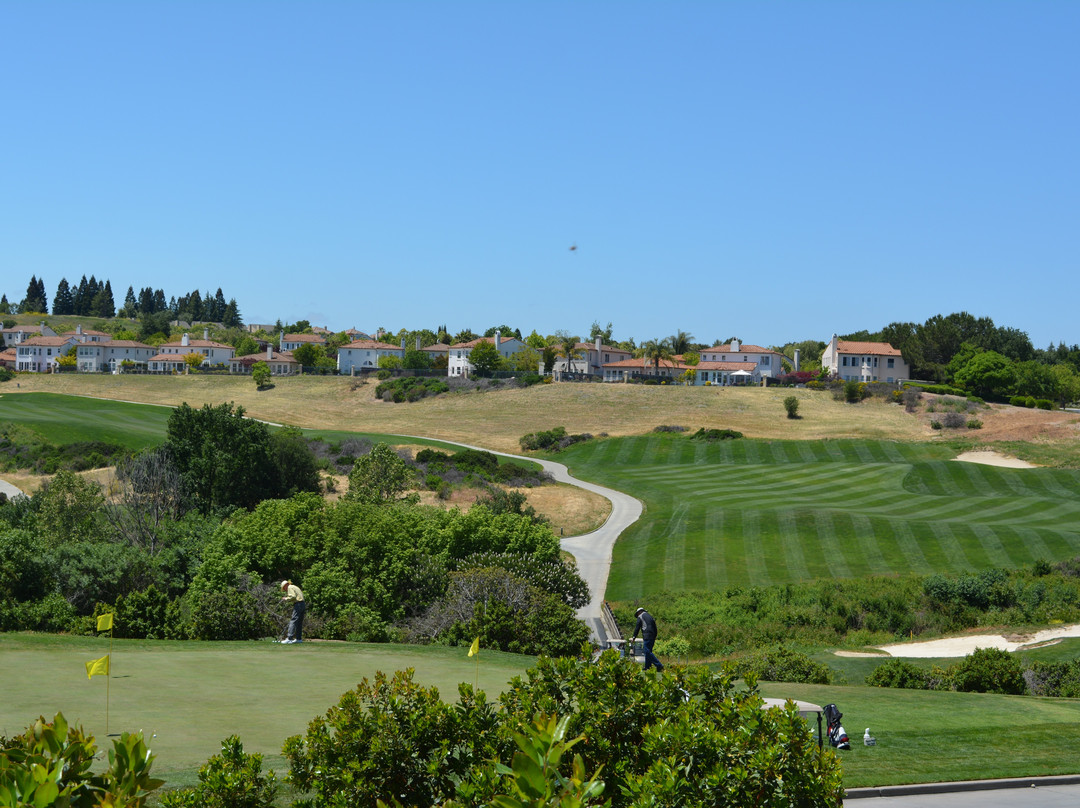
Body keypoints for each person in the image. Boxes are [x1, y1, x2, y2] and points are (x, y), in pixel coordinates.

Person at [630, 606, 664, 672]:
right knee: (648, 652)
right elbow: (655, 627)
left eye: (637, 614)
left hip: (647, 635)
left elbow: (637, 627)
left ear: (639, 612)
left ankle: (659, 665)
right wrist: (655, 635)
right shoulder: (650, 616)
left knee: (646, 651)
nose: (637, 615)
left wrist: (634, 637)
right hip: (652, 635)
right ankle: (647, 667)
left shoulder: (640, 616)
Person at [280, 580, 306, 644]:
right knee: (299, 622)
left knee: (293, 620)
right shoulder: (295, 586)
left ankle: (289, 638)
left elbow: (293, 596)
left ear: (285, 585)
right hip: (302, 604)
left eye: (284, 588)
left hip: (298, 604)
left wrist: (286, 598)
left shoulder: (289, 587)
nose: (285, 590)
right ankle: (298, 639)